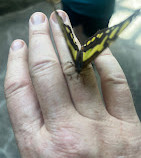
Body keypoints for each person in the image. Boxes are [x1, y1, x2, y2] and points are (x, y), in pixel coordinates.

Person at [4, 10, 141, 158]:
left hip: (82, 54)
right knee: (81, 56)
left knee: (79, 56)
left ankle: (78, 42)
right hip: (88, 51)